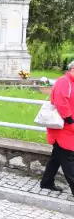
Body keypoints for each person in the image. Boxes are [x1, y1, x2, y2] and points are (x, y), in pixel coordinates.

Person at [44, 60, 74, 196]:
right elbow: (61, 102)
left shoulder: (71, 82)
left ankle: (46, 182)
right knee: (68, 159)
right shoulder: (64, 81)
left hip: (67, 128)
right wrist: (70, 120)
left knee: (57, 157)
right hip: (63, 128)